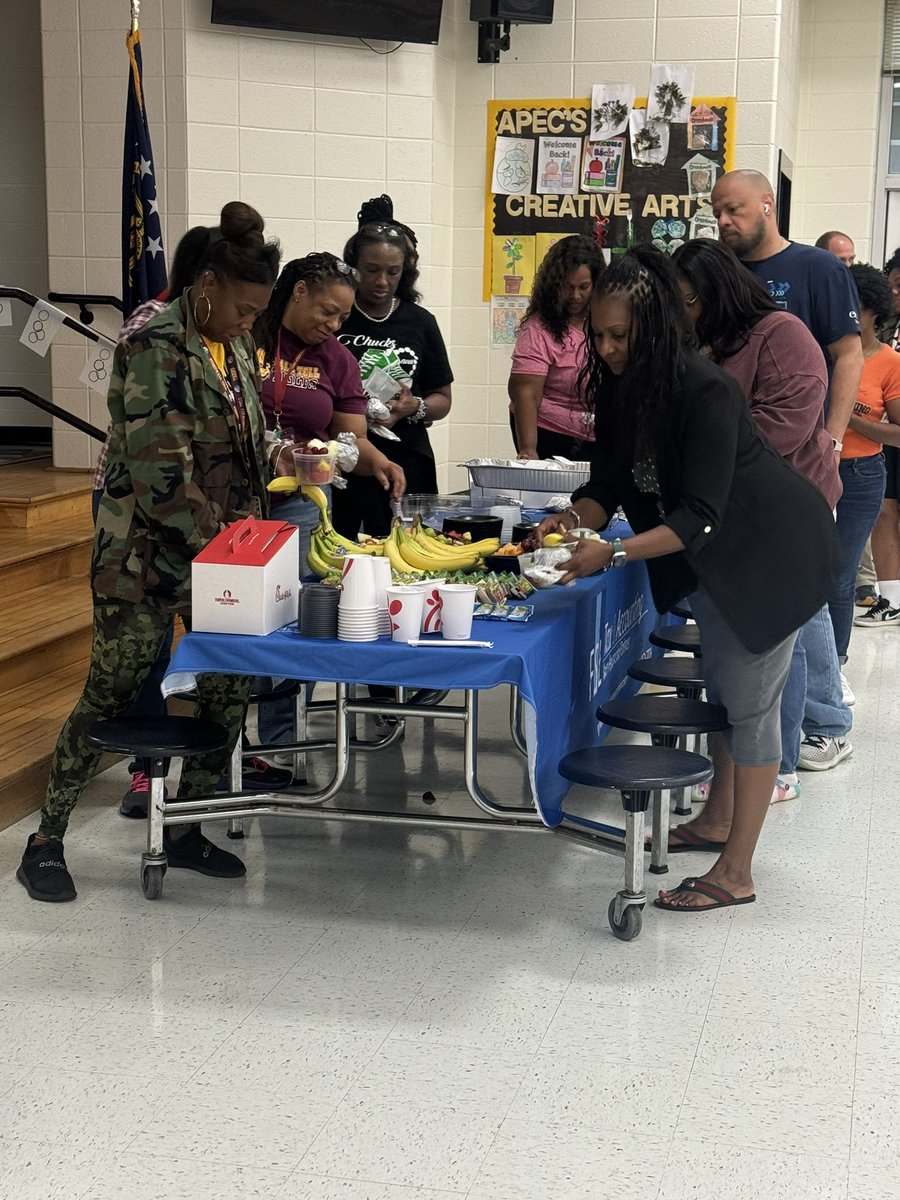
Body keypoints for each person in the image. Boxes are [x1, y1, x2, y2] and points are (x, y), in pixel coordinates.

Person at [538, 246, 839, 911]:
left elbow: (699, 514)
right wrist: (570, 519)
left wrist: (611, 555)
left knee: (751, 708)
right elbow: (610, 484)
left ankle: (736, 874)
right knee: (732, 695)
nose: (609, 348)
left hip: (768, 556)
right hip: (716, 559)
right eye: (600, 335)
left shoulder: (705, 389)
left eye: (622, 336)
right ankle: (715, 821)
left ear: (656, 328)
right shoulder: (619, 387)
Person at [17, 201, 281, 903]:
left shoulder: (238, 349)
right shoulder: (153, 348)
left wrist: (283, 466)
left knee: (229, 687)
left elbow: (247, 448)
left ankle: (186, 825)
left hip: (218, 559)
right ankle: (46, 840)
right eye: (244, 307)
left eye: (260, 310)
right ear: (208, 287)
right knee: (107, 692)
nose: (251, 321)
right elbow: (161, 477)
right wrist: (232, 555)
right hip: (144, 562)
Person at [672, 237, 840, 809]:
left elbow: (781, 431)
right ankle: (729, 792)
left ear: (721, 292)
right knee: (734, 670)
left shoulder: (783, 335)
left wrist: (694, 455)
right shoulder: (712, 342)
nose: (686, 315)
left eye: (692, 302)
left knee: (772, 657)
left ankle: (781, 766)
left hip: (785, 518)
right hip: (730, 520)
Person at [711, 168, 860, 770]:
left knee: (804, 598)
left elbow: (846, 353)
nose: (724, 221)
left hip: (801, 465)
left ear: (767, 205)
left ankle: (825, 721)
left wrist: (832, 438)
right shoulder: (723, 274)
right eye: (717, 210)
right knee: (785, 603)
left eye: (736, 209)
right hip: (741, 471)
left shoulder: (815, 269)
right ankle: (794, 725)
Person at [251, 252, 406, 753]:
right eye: (326, 311)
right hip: (233, 497)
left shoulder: (335, 358)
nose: (334, 324)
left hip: (299, 501)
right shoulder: (248, 336)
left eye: (342, 315)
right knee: (237, 616)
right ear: (297, 291)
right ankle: (225, 742)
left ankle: (279, 746)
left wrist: (377, 461)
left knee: (292, 615)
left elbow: (350, 439)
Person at [92, 224, 219, 817]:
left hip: (197, 507)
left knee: (208, 639)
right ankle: (144, 771)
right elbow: (159, 456)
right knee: (145, 647)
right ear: (203, 284)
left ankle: (206, 766)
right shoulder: (152, 330)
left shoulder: (221, 338)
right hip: (141, 511)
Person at [333, 220, 453, 538]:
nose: (383, 281)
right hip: (347, 461)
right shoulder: (338, 317)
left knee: (410, 546)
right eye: (371, 270)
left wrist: (414, 406)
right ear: (352, 267)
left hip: (409, 460)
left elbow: (443, 398)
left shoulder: (421, 322)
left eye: (393, 271)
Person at [507, 234, 604, 461]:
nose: (575, 296)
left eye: (583, 287)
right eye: (567, 287)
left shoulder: (606, 321)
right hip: (548, 432)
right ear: (553, 285)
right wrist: (529, 449)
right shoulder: (538, 328)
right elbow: (526, 393)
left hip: (597, 435)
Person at [845, 264, 900, 629]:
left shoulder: (888, 362)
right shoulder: (826, 352)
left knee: (841, 568)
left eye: (855, 305)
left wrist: (849, 418)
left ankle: (892, 600)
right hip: (817, 466)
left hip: (861, 468)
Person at [864, 247, 900, 615]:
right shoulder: (883, 325)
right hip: (883, 432)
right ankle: (893, 598)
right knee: (885, 510)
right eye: (891, 285)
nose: (895, 293)